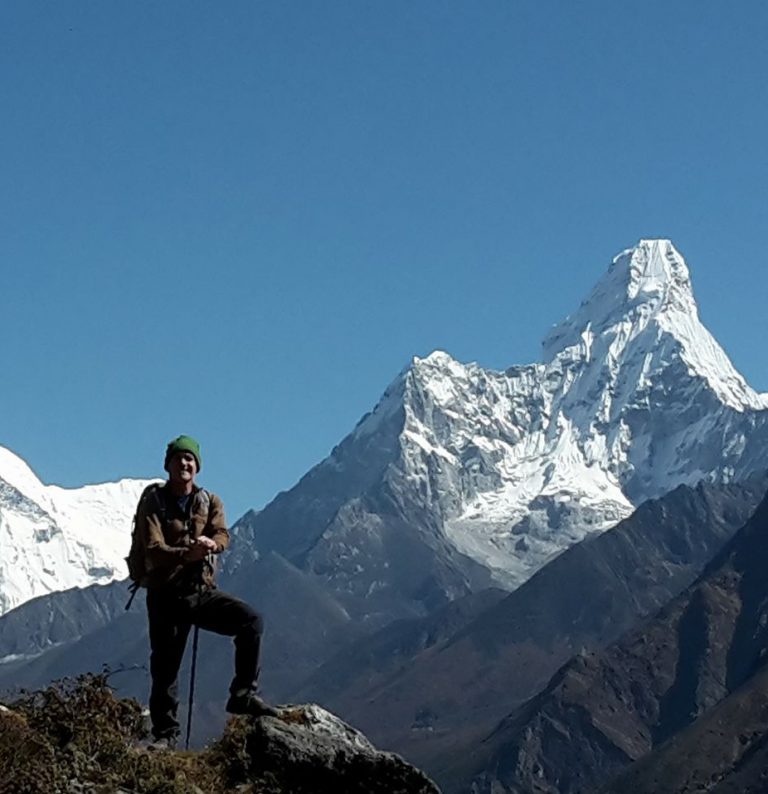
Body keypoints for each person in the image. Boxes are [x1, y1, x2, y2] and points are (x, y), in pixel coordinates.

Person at [136, 434, 276, 749]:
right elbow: (153, 549)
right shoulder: (153, 502)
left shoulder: (209, 501)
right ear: (168, 465)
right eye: (178, 459)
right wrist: (189, 553)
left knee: (250, 621)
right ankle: (165, 736)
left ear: (196, 467)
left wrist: (214, 544)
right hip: (164, 594)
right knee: (166, 667)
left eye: (190, 459)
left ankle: (243, 694)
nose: (184, 464)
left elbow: (222, 533)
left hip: (198, 591)